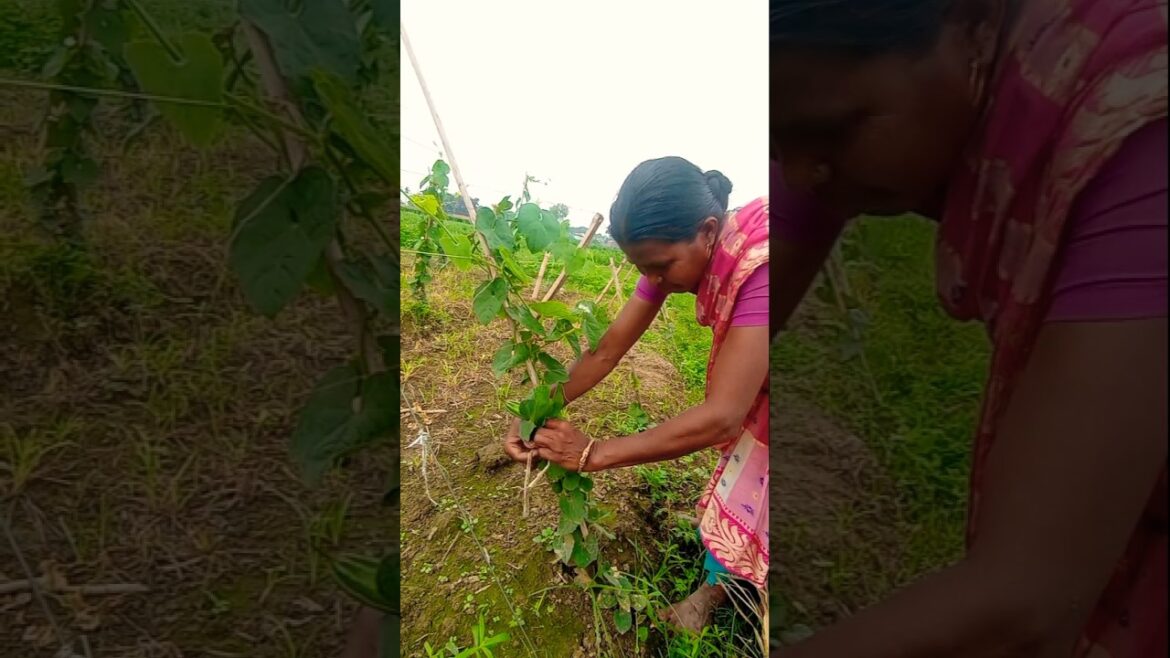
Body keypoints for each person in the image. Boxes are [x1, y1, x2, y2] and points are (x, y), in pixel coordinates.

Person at [770, 0, 1166, 656]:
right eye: (775, 145)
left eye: (835, 133)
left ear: (975, 21)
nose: (799, 175)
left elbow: (1026, 601)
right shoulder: (815, 95)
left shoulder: (1136, 126)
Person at [502, 156, 771, 632]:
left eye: (662, 266)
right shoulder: (675, 260)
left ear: (709, 231)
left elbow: (723, 416)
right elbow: (606, 351)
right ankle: (727, 575)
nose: (657, 280)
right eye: (644, 269)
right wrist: (534, 411)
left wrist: (593, 453)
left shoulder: (764, 266)